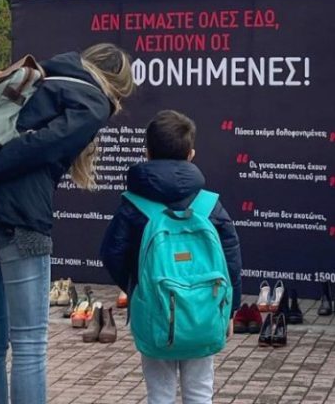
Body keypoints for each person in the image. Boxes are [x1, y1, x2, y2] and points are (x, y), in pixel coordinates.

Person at [0, 43, 135, 404]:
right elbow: (33, 150)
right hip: (20, 222)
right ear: (116, 84)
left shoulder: (37, 78)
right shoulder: (92, 102)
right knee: (28, 343)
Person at [100, 110, 242, 404]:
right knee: (200, 392)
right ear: (191, 154)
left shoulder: (134, 205)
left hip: (154, 314)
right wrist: (230, 309)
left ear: (147, 152)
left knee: (160, 394)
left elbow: (112, 253)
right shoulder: (209, 205)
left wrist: (137, 289)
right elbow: (231, 258)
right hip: (204, 314)